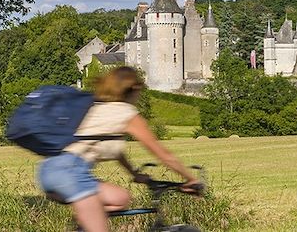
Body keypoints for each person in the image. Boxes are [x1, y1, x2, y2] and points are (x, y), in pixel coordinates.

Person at [37, 66, 201, 232]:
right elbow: (163, 154)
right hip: (70, 172)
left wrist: (134, 173)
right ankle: (87, 218)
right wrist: (191, 179)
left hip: (49, 171)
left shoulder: (97, 107)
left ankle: (84, 222)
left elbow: (115, 150)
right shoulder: (126, 113)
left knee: (120, 198)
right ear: (135, 88)